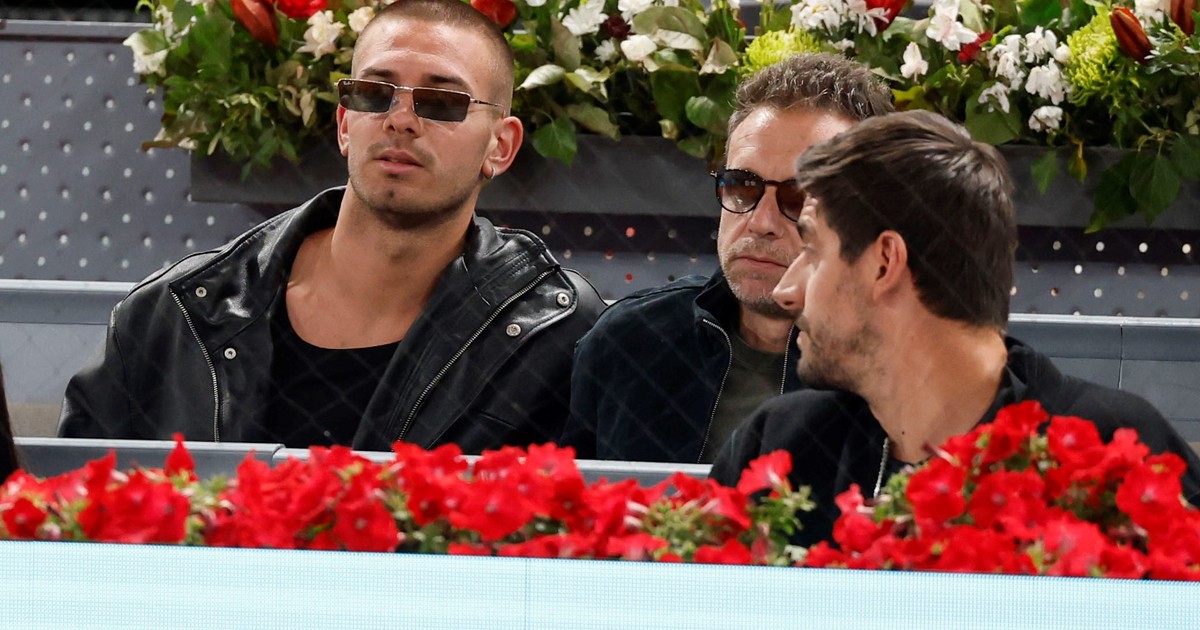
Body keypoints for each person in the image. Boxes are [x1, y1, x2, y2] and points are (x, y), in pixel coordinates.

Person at [58, 0, 605, 452]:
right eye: (374, 93)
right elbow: (65, 520)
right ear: (345, 124)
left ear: (501, 145)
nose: (400, 120)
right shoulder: (171, 316)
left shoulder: (560, 332)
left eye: (442, 102)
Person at [710, 110, 1200, 545]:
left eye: (814, 253)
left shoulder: (1116, 456)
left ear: (884, 263)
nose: (787, 291)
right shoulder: (779, 447)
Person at [560, 54, 894, 463]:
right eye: (742, 186)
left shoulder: (905, 370)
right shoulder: (628, 341)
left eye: (801, 196)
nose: (761, 222)